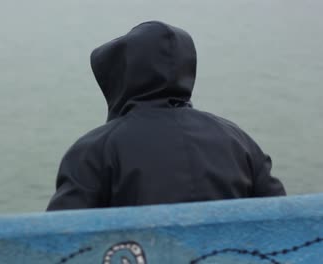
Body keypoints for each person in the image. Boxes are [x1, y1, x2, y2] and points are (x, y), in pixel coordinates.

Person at [46, 21, 286, 211]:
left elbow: (59, 240)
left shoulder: (95, 150)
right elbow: (282, 218)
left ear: (120, 76)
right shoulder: (239, 141)